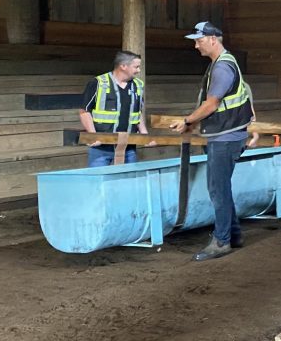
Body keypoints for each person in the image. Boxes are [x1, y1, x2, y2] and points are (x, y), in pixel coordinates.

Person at [170, 22, 254, 262]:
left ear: (213, 39)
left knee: (218, 190)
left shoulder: (222, 68)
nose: (196, 45)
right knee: (222, 187)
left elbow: (212, 104)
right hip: (228, 132)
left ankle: (222, 240)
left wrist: (187, 120)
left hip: (225, 136)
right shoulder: (223, 63)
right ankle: (233, 234)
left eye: (199, 40)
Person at [79, 50, 151, 167]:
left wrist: (144, 134)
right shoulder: (98, 83)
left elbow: (137, 113)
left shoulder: (138, 85)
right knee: (98, 181)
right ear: (123, 66)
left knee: (128, 182)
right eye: (136, 67)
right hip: (101, 147)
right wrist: (93, 136)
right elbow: (84, 111)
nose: (138, 70)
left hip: (129, 146)